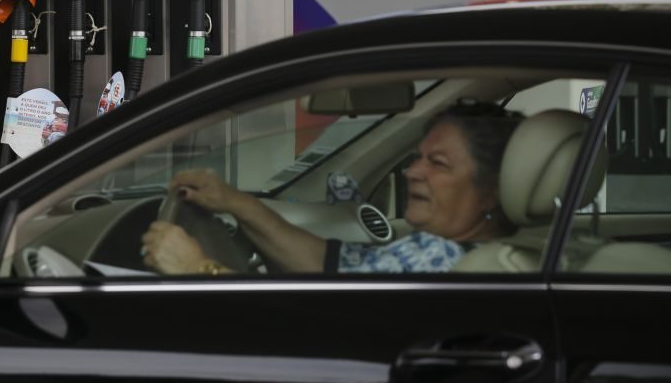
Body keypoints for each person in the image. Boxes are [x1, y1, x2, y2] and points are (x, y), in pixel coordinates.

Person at [141, 101, 524, 275]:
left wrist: (197, 268)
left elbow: (315, 331)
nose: (412, 172)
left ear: (491, 191)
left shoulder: (439, 259)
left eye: (437, 163)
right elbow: (327, 265)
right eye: (418, 157)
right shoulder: (477, 254)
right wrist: (235, 202)